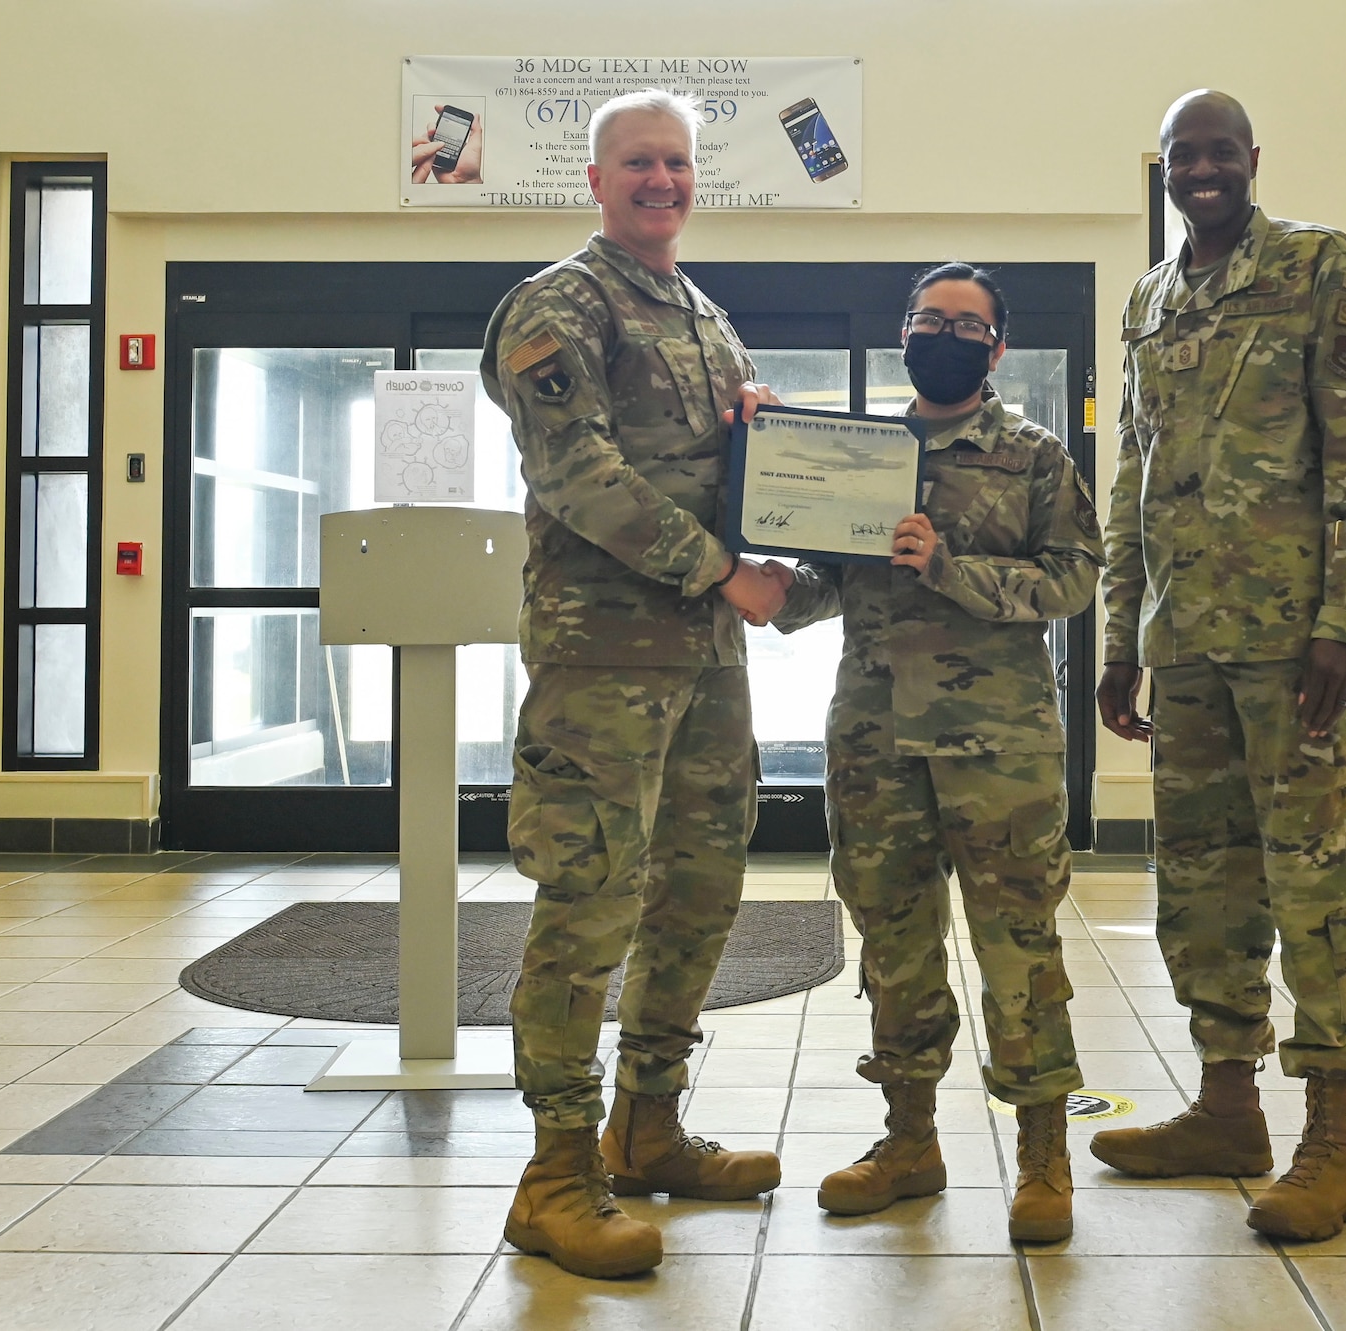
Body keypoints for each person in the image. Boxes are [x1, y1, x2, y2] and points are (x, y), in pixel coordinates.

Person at [1090, 90, 1346, 1244]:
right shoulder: (1148, 300)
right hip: (1183, 648)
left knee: (1309, 883)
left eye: (1220, 152)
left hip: (1291, 650)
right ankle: (1227, 1108)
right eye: (1184, 155)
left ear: (1251, 159)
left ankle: (1331, 1140)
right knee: (1200, 883)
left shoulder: (1317, 269)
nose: (1203, 170)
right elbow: (1133, 479)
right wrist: (1119, 635)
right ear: (1165, 168)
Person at [480, 88, 794, 1280]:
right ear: (597, 180)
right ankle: (556, 1173)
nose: (661, 180)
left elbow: (726, 465)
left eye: (677, 162)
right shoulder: (556, 306)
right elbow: (579, 474)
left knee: (697, 892)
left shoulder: (706, 316)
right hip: (602, 659)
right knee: (589, 901)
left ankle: (647, 1125)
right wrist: (722, 569)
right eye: (638, 163)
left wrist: (761, 438)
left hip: (703, 660)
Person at [769, 263, 1104, 1243]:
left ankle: (1042, 1154)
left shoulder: (1034, 457)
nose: (944, 336)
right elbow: (820, 580)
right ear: (903, 332)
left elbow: (1071, 580)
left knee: (1017, 947)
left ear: (997, 347)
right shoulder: (859, 457)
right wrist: (761, 581)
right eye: (928, 319)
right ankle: (908, 1140)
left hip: (998, 745)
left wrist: (949, 568)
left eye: (966, 324)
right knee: (893, 944)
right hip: (875, 738)